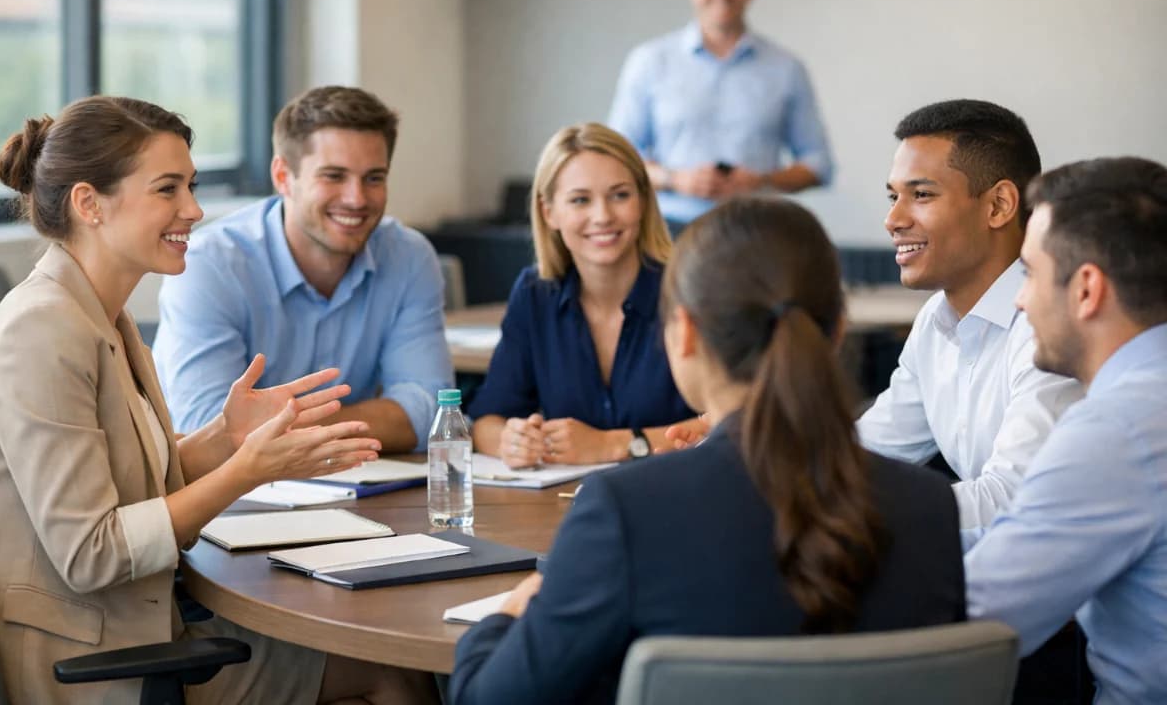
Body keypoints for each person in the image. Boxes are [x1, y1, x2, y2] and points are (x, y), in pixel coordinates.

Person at [0, 96, 438, 704]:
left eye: (189, 186)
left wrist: (225, 437)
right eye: (168, 189)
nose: (194, 209)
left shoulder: (99, 315)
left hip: (135, 630)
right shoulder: (42, 331)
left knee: (377, 661)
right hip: (87, 667)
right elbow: (92, 552)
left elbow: (132, 487)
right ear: (90, 204)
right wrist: (247, 472)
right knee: (388, 671)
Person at [451, 197, 965, 705]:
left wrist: (507, 616)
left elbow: (486, 697)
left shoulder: (626, 511)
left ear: (687, 333)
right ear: (834, 333)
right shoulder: (931, 506)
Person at [966, 157, 1167, 705]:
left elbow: (978, 615)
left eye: (1029, 272)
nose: (1019, 298)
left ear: (1085, 289)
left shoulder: (1119, 429)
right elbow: (1027, 530)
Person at [153, 86, 452, 453]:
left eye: (374, 178)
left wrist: (273, 430)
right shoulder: (210, 264)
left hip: (352, 487)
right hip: (221, 500)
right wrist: (366, 422)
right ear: (282, 176)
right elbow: (208, 429)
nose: (356, 198)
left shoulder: (409, 257)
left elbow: (429, 413)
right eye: (333, 176)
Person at [856, 99, 1081, 547]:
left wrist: (838, 511)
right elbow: (863, 453)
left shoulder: (1050, 327)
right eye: (893, 196)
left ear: (998, 205)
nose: (893, 219)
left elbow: (1014, 502)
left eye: (921, 195)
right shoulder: (936, 321)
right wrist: (743, 458)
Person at [468, 123, 701, 468]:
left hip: (681, 496)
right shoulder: (536, 294)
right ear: (550, 213)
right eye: (580, 200)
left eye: (620, 195)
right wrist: (513, 441)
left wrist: (618, 444)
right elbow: (486, 421)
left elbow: (733, 420)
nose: (602, 216)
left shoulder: (690, 287)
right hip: (568, 505)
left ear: (643, 201)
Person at [607, 0, 833, 227]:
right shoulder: (649, 61)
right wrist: (675, 179)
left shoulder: (786, 68)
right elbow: (616, 159)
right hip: (667, 231)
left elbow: (819, 164)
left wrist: (761, 181)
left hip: (757, 229)